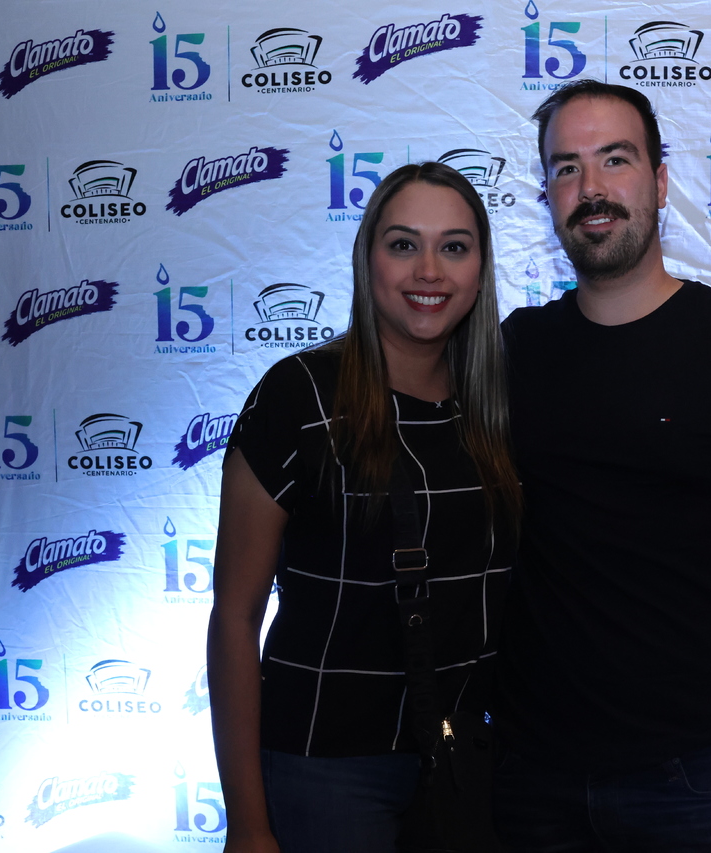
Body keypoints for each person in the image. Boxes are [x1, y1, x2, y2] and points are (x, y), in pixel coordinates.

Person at [493, 80, 711, 853]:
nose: (591, 188)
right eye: (566, 167)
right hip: (525, 774)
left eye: (615, 160)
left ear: (659, 180)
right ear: (547, 194)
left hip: (694, 781)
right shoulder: (514, 349)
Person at [208, 162, 520, 853]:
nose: (429, 270)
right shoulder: (298, 396)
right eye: (404, 244)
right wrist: (248, 825)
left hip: (464, 765)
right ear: (367, 260)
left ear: (480, 270)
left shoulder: (497, 407)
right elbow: (234, 616)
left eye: (455, 247)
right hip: (325, 770)